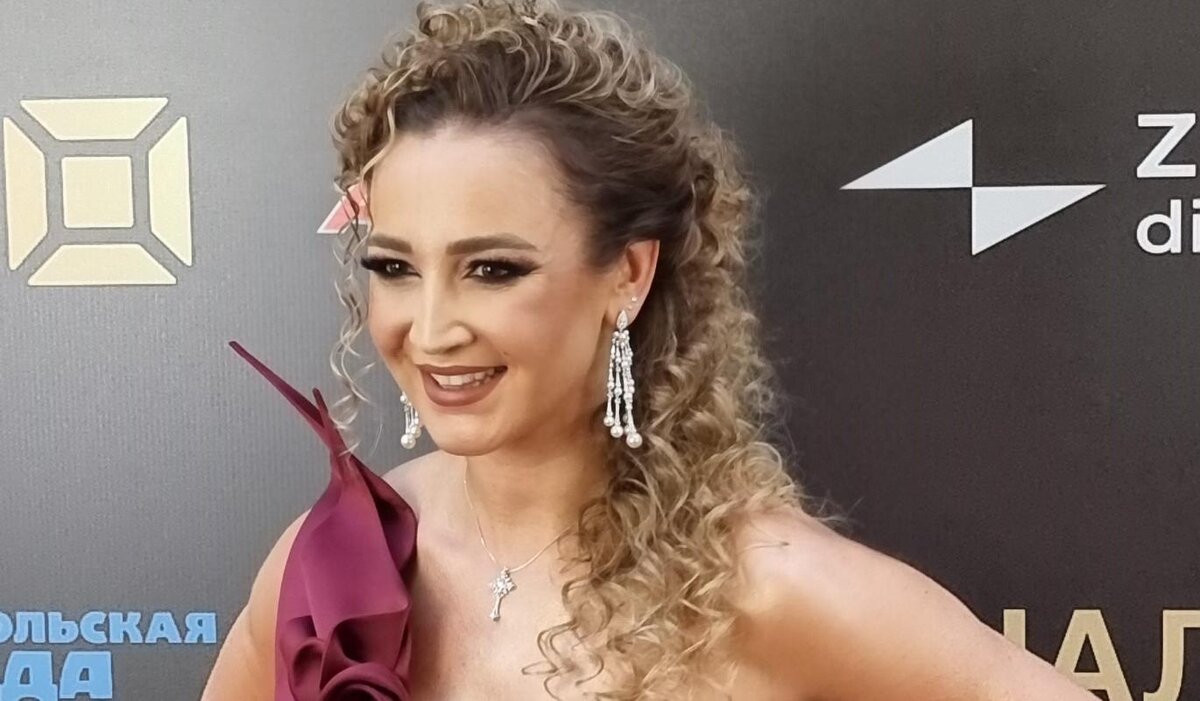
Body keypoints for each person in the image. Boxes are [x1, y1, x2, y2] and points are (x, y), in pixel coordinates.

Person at [202, 1, 1099, 699]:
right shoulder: (333, 566)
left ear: (627, 274)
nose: (432, 328)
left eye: (493, 269)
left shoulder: (764, 589)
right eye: (396, 267)